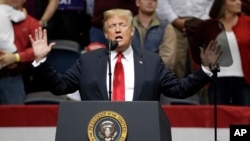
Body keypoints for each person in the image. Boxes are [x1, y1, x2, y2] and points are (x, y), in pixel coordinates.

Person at [29, 9, 221, 101]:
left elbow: (179, 90)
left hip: (141, 131)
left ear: (131, 32)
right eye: (112, 26)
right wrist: (41, 60)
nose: (118, 30)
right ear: (106, 34)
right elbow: (60, 86)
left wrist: (205, 69)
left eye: (123, 25)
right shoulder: (87, 60)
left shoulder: (151, 62)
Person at [190, 0, 250, 106]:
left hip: (244, 81)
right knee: (218, 119)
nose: (239, 2)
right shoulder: (207, 26)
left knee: (243, 118)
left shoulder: (247, 23)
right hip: (217, 81)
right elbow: (196, 51)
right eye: (233, 0)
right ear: (222, 4)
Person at [0, 0, 40, 104]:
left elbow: (38, 50)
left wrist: (16, 57)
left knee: (16, 118)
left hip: (12, 78)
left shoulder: (32, 23)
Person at [132, 0, 176, 71]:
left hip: (157, 75)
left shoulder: (166, 28)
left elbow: (168, 59)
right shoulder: (128, 26)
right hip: (131, 72)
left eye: (154, 0)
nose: (150, 2)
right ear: (137, 2)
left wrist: (148, 71)